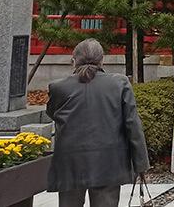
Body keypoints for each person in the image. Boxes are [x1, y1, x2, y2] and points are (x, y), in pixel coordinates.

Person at [46, 38, 150, 207]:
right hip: (108, 161)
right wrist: (141, 164)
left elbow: (52, 113)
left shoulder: (58, 87)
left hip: (69, 162)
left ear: (73, 61)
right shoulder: (119, 84)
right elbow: (132, 125)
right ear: (103, 60)